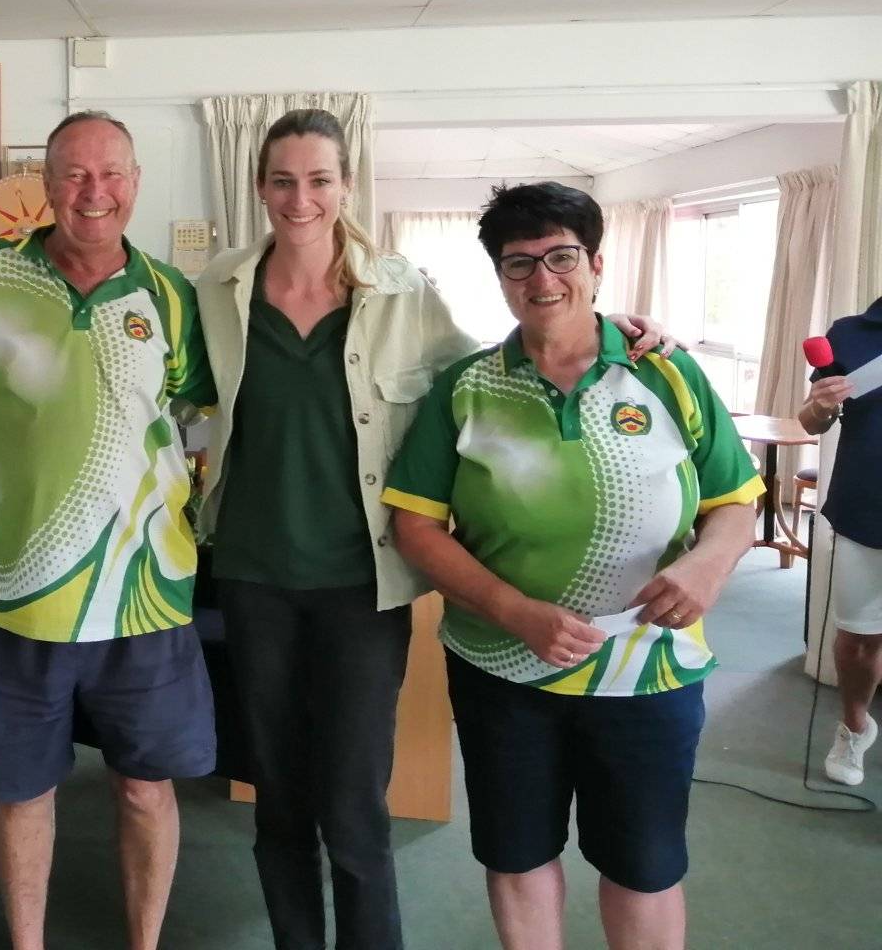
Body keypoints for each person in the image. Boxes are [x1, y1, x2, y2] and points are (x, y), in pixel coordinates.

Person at [195, 114, 674, 950]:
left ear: (347, 187)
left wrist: (608, 326)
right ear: (260, 187)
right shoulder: (217, 289)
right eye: (282, 181)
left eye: (319, 180)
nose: (300, 199)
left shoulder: (402, 292)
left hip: (361, 585)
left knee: (353, 799)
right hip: (252, 576)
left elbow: (496, 364)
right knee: (277, 791)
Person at [382, 182, 762, 950]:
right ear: (500, 277)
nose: (542, 279)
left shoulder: (669, 375)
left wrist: (709, 566)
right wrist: (515, 612)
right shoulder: (467, 386)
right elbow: (414, 526)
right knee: (517, 854)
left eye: (561, 257)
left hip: (645, 668)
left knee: (644, 866)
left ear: (595, 264)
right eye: (518, 263)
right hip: (502, 669)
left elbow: (734, 503)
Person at [0, 111, 216, 950]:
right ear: (45, 185)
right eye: (74, 174)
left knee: (146, 789)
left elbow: (189, 412)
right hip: (19, 594)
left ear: (136, 182)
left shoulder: (170, 295)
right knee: (20, 793)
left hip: (144, 596)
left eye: (111, 173)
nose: (93, 192)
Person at [797, 303, 881, 785]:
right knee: (860, 639)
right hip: (865, 510)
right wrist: (823, 405)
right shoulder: (850, 334)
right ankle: (855, 728)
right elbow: (811, 422)